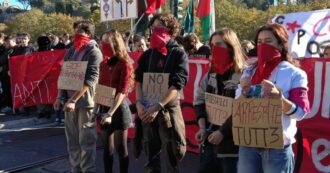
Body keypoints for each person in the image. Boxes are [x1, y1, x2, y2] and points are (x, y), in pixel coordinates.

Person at [236, 23, 310, 173]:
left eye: (268, 41)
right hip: (248, 145)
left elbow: (301, 112)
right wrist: (244, 92)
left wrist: (279, 98)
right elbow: (237, 107)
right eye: (259, 42)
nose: (263, 45)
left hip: (276, 149)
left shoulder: (295, 74)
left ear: (280, 45)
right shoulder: (248, 72)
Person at [135, 13, 189, 173]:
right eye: (153, 28)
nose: (154, 30)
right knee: (150, 156)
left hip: (167, 111)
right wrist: (139, 105)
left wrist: (158, 106)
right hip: (146, 110)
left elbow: (177, 85)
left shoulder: (178, 54)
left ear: (170, 30)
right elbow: (139, 81)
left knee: (173, 154)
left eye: (159, 27)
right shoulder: (147, 55)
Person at [193, 28, 246, 173]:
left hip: (233, 147)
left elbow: (244, 109)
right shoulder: (210, 75)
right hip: (210, 142)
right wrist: (202, 127)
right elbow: (199, 100)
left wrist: (223, 132)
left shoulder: (244, 75)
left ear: (231, 47)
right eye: (212, 45)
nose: (215, 49)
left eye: (219, 45)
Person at [54, 20, 102, 173]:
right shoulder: (71, 51)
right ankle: (75, 169)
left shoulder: (94, 52)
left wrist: (73, 99)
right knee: (72, 141)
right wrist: (59, 97)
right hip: (69, 102)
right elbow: (64, 74)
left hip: (85, 103)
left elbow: (91, 79)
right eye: (75, 33)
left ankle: (88, 170)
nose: (76, 36)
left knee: (86, 141)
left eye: (80, 33)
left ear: (89, 35)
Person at [94, 30, 134, 173]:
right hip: (104, 109)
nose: (102, 44)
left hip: (118, 111)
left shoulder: (124, 64)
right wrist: (95, 110)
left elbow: (123, 91)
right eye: (101, 41)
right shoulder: (103, 65)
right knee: (107, 149)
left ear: (114, 44)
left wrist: (110, 113)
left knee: (121, 149)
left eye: (106, 41)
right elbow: (100, 88)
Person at [0, 35, 16, 114]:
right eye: (6, 42)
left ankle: (11, 106)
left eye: (8, 42)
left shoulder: (13, 50)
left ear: (13, 41)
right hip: (4, 73)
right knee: (6, 89)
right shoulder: (6, 50)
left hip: (11, 73)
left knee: (11, 90)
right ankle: (8, 105)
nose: (6, 43)